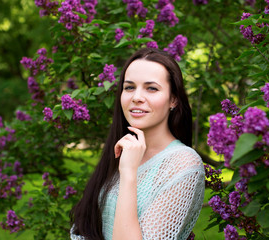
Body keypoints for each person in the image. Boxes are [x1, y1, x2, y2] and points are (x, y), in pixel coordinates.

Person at [70, 48, 205, 240]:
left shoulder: (184, 164)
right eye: (129, 87)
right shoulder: (123, 149)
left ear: (173, 99)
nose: (136, 97)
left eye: (152, 88)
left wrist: (129, 173)